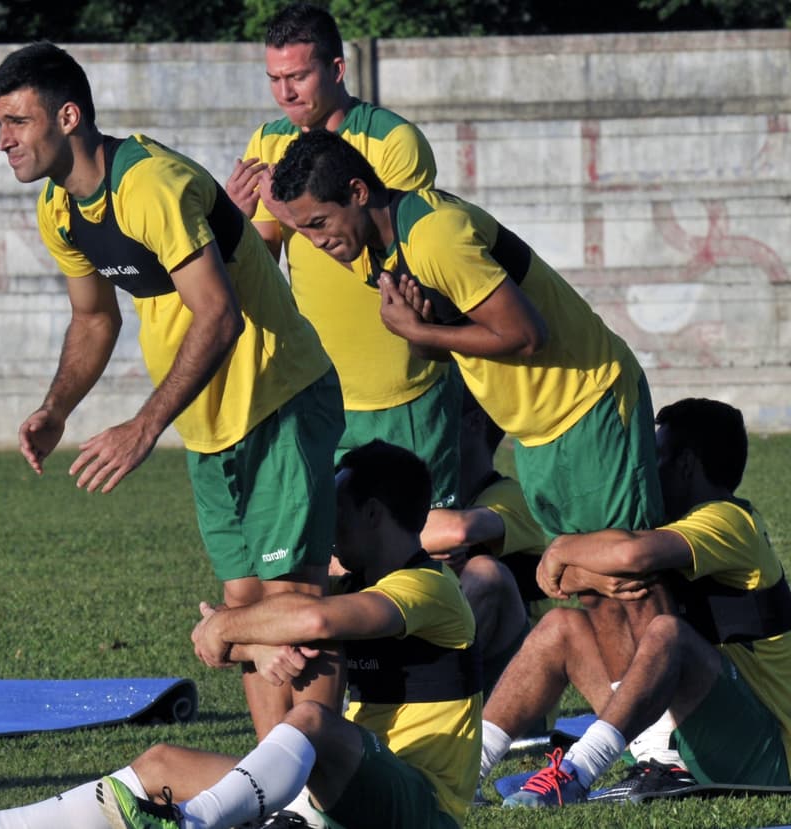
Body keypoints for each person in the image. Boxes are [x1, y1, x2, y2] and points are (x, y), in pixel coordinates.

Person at [0, 41, 344, 739]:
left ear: (67, 117)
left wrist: (143, 426)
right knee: (244, 609)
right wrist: (56, 409)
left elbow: (221, 314)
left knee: (293, 603)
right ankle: (275, 792)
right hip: (211, 425)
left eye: (16, 122)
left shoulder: (149, 184)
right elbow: (94, 318)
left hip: (280, 399)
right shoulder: (59, 209)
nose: (4, 141)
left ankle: (324, 792)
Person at [0, 441, 481, 829]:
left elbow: (316, 624)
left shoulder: (428, 588)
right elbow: (294, 631)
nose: (327, 523)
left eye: (339, 507)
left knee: (311, 723)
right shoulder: (355, 581)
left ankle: (193, 824)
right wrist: (247, 641)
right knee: (160, 763)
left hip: (423, 807)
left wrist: (226, 626)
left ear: (374, 513)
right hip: (345, 792)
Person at [267, 127, 668, 680]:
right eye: (301, 230)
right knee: (590, 586)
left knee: (628, 579)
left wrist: (421, 332)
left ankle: (668, 738)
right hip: (536, 429)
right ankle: (639, 734)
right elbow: (439, 349)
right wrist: (417, 331)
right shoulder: (377, 251)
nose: (315, 242)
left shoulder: (434, 236)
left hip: (588, 402)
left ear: (358, 192)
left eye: (319, 223)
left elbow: (527, 333)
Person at [479, 398, 791, 807]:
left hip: (767, 752)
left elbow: (630, 558)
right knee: (563, 628)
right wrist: (576, 564)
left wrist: (565, 548)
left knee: (662, 624)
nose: (645, 472)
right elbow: (567, 580)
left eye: (656, 456)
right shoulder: (673, 529)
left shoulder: (729, 520)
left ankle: (576, 773)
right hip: (704, 726)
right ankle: (465, 773)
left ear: (686, 464)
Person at [227, 3, 462, 507]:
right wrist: (231, 224)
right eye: (274, 78)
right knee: (333, 555)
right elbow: (262, 260)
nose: (285, 93)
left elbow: (403, 272)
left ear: (336, 69)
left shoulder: (393, 142)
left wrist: (292, 217)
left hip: (405, 389)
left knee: (430, 548)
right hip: (317, 385)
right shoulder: (268, 141)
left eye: (298, 76)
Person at [419, 392, 544, 697]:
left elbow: (458, 530)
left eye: (438, 417)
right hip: (438, 656)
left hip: (509, 689)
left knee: (486, 573)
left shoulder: (513, 496)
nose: (427, 428)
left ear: (475, 422)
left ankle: (426, 703)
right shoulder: (423, 507)